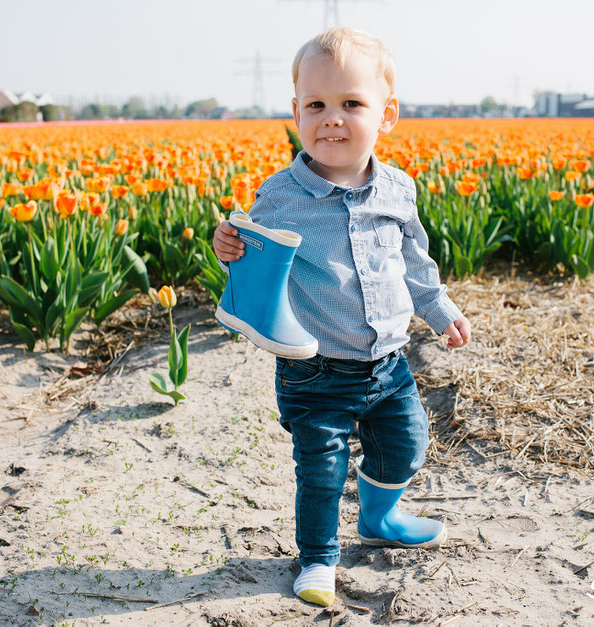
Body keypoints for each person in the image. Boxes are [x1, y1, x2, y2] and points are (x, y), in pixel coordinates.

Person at [212, 26, 471, 607]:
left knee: (405, 443)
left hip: (388, 362)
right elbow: (248, 250)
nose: (332, 118)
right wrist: (226, 244)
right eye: (317, 105)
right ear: (296, 112)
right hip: (316, 369)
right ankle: (318, 560)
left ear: (387, 115)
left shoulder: (397, 190)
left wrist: (439, 307)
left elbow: (414, 261)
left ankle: (380, 517)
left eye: (351, 103)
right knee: (322, 471)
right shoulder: (280, 194)